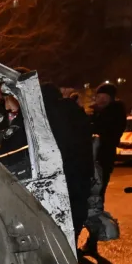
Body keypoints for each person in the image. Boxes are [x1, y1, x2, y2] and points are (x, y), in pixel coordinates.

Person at [42, 83, 95, 241]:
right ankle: (73, 248)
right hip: (82, 172)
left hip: (65, 174)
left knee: (63, 218)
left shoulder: (54, 114)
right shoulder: (75, 111)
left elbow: (58, 146)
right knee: (76, 214)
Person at [83, 83, 127, 255]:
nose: (100, 99)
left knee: (95, 201)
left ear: (111, 98)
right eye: (98, 96)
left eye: (104, 97)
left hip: (101, 164)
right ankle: (91, 241)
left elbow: (105, 134)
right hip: (91, 162)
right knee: (88, 201)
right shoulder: (97, 113)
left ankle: (94, 239)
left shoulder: (113, 115)